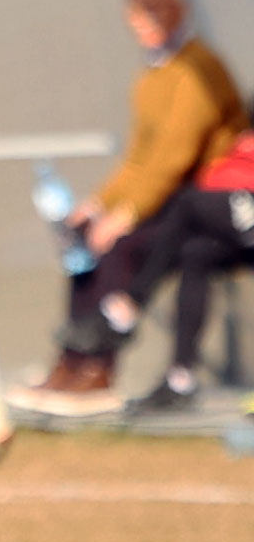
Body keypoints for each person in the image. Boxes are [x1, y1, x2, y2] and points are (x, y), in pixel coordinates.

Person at [14, 0, 245, 413]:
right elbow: (140, 158)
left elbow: (174, 158)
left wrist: (127, 214)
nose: (141, 26)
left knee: (121, 244)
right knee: (84, 239)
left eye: (150, 16)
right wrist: (99, 204)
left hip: (202, 203)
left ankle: (100, 367)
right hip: (165, 201)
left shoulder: (197, 69)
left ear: (172, 14)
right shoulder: (152, 74)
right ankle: (72, 359)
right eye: (137, 17)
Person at [97, 127, 254, 413]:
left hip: (245, 206)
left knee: (188, 203)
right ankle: (180, 379)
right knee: (196, 253)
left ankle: (133, 301)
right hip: (236, 209)